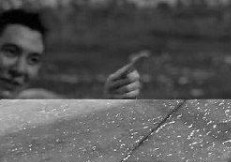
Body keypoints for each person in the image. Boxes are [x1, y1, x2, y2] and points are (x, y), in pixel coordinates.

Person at [0, 8, 145, 100]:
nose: (19, 69)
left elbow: (83, 118)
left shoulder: (36, 102)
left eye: (33, 59)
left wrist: (110, 100)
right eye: (10, 52)